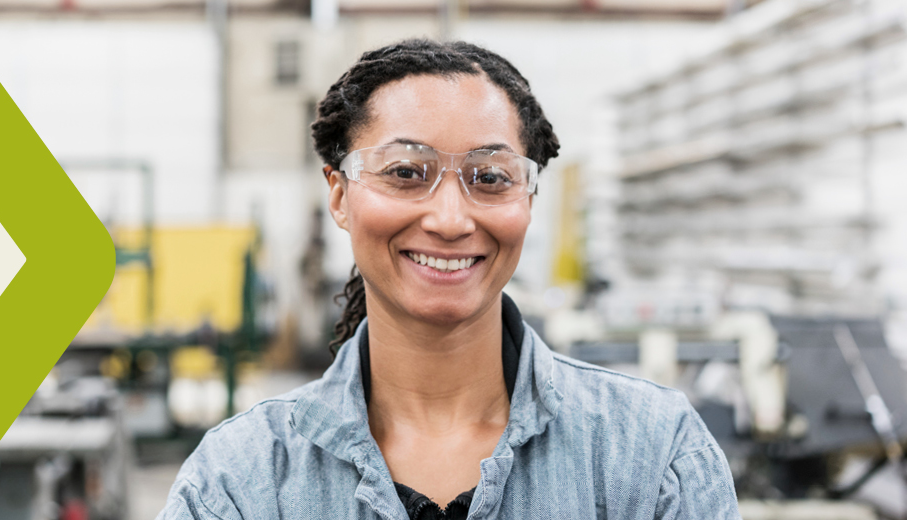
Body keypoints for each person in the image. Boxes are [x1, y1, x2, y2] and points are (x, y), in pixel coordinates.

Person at [158, 39, 739, 519]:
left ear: (529, 198)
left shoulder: (651, 454)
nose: (451, 219)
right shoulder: (241, 480)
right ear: (339, 195)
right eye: (406, 172)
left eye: (489, 177)